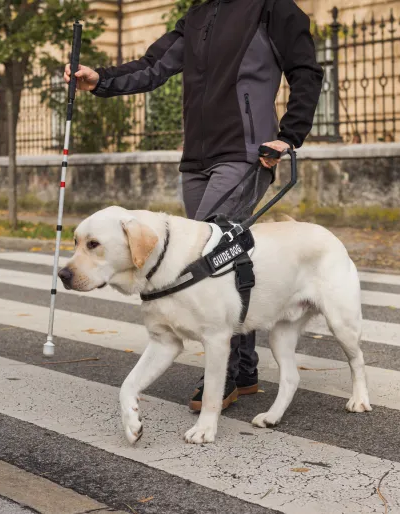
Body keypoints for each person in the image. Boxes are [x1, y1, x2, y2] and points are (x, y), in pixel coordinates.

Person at [65, 0, 323, 411]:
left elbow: (306, 71)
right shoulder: (198, 15)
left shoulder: (271, 7)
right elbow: (155, 66)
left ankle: (224, 375)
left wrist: (290, 134)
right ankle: (246, 367)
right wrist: (101, 80)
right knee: (231, 257)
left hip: (245, 152)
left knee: (209, 261)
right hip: (197, 159)